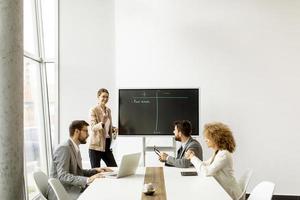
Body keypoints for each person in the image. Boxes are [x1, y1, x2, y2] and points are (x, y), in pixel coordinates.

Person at [47, 120, 113, 200]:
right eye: (85, 131)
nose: (88, 135)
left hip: (72, 188)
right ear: (76, 131)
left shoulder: (74, 147)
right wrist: (88, 179)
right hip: (62, 192)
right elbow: (62, 176)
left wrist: (96, 170)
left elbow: (77, 171)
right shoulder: (64, 148)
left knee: (102, 189)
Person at [185, 122, 242, 200]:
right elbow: (205, 164)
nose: (205, 140)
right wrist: (193, 157)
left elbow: (207, 172)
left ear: (216, 138)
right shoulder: (218, 152)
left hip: (230, 195)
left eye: (207, 138)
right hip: (223, 191)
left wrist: (192, 157)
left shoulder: (224, 154)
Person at [89, 88, 118, 168]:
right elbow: (93, 127)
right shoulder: (93, 110)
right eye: (103, 96)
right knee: (96, 172)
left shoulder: (108, 110)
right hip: (96, 146)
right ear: (98, 97)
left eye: (107, 97)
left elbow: (107, 126)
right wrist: (103, 121)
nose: (105, 99)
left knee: (114, 169)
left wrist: (113, 128)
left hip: (107, 143)